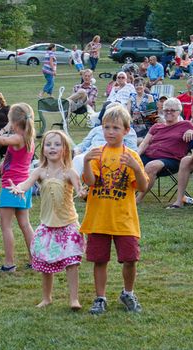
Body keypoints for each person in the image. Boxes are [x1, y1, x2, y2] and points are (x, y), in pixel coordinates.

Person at [80, 104, 149, 314]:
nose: (110, 132)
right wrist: (85, 162)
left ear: (126, 131)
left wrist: (136, 168)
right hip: (99, 218)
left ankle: (128, 292)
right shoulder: (97, 154)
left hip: (124, 218)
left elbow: (143, 186)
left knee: (130, 259)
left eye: (116, 128)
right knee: (99, 260)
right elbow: (91, 183)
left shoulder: (131, 156)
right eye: (106, 127)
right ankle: (100, 297)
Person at [9, 130, 86, 309]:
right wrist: (19, 188)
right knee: (44, 263)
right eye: (48, 144)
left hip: (68, 224)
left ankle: (74, 299)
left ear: (65, 149)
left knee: (72, 262)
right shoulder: (40, 172)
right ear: (43, 149)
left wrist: (82, 193)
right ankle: (47, 297)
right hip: (48, 224)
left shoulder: (69, 173)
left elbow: (79, 189)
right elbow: (26, 183)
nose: (52, 147)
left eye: (57, 144)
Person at [0, 103, 36, 272]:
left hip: (12, 187)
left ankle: (9, 263)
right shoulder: (28, 138)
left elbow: (3, 140)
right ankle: (35, 260)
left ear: (13, 121)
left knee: (6, 226)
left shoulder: (18, 138)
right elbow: (7, 160)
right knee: (25, 224)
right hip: (23, 186)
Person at [135, 97, 193, 203]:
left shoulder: (186, 125)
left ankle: (137, 199)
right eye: (166, 110)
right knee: (127, 162)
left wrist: (192, 132)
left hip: (171, 160)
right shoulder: (156, 126)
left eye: (172, 110)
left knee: (152, 165)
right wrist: (135, 156)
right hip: (149, 155)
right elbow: (145, 143)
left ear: (179, 111)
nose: (169, 112)